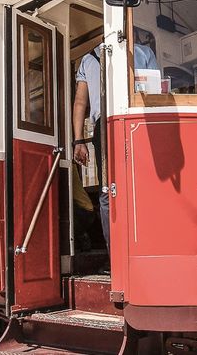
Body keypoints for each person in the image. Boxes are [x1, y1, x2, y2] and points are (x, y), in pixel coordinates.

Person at [73, 43, 158, 272]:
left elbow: (80, 101)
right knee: (141, 187)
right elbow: (155, 93)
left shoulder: (88, 59)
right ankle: (146, 252)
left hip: (105, 127)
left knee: (107, 193)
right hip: (139, 121)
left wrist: (79, 140)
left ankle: (117, 259)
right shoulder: (142, 52)